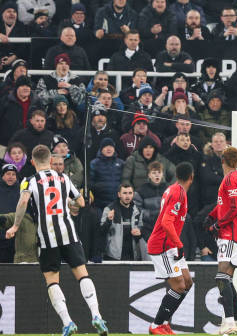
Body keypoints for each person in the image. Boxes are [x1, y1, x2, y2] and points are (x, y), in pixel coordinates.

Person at [5, 145, 108, 336]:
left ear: (32, 161)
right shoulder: (63, 178)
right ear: (51, 161)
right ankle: (96, 315)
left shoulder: (29, 181)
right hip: (69, 234)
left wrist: (15, 226)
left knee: (52, 281)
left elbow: (23, 202)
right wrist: (68, 203)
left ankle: (68, 322)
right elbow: (82, 202)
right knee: (83, 275)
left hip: (47, 239)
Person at [202, 147, 237, 334]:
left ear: (223, 161)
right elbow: (225, 204)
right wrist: (212, 215)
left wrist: (218, 225)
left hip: (231, 233)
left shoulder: (230, 179)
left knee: (222, 277)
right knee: (226, 279)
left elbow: (235, 208)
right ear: (236, 162)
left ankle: (229, 323)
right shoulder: (233, 178)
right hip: (232, 232)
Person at [146, 162, 194, 334]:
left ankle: (164, 321)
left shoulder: (173, 189)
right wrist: (179, 244)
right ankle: (156, 325)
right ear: (191, 177)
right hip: (163, 245)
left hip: (171, 245)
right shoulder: (178, 193)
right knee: (179, 286)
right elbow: (166, 222)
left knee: (187, 282)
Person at [99, 183, 144, 261]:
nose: (127, 196)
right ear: (119, 194)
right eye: (124, 193)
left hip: (133, 256)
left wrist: (140, 233)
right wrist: (109, 220)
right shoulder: (109, 209)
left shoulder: (138, 210)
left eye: (130, 193)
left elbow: (142, 230)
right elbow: (101, 231)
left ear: (133, 194)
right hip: (113, 256)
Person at [90, 138, 124, 212]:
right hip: (100, 204)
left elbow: (124, 180)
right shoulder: (94, 163)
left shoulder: (121, 163)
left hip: (117, 202)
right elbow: (91, 182)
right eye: (106, 147)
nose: (109, 149)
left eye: (111, 146)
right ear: (101, 149)